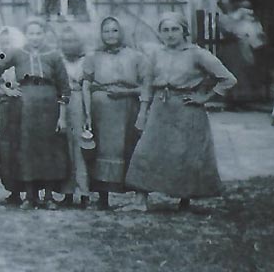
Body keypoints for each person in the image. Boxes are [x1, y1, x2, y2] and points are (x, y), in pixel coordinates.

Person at [126, 12, 236, 212]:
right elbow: (147, 84)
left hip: (187, 110)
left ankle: (184, 200)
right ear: (159, 33)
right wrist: (143, 113)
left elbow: (228, 79)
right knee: (146, 151)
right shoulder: (155, 54)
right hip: (160, 108)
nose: (170, 34)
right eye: (165, 30)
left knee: (185, 155)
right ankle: (140, 200)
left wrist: (205, 97)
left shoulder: (197, 54)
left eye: (175, 29)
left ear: (184, 31)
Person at [0, 19, 69, 210]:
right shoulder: (17, 53)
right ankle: (30, 196)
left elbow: (64, 88)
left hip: (49, 105)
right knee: (27, 149)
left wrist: (62, 116)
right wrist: (6, 88)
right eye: (31, 33)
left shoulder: (54, 55)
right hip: (25, 106)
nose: (35, 37)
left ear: (45, 34)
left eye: (39, 33)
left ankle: (49, 196)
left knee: (48, 150)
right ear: (26, 35)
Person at [81, 16, 147, 210]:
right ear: (101, 34)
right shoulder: (93, 57)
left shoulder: (136, 56)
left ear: (122, 32)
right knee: (101, 150)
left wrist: (127, 92)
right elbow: (85, 85)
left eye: (115, 30)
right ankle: (103, 198)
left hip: (127, 109)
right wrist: (87, 114)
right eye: (106, 31)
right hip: (101, 109)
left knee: (128, 148)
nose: (110, 35)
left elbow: (146, 87)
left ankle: (136, 196)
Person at [57, 26, 90, 207]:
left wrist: (88, 113)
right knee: (64, 148)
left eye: (72, 41)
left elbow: (86, 87)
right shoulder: (57, 60)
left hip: (78, 102)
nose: (68, 45)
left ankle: (84, 192)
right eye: (65, 41)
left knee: (80, 148)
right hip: (61, 104)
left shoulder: (85, 61)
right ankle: (67, 192)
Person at [0, 25, 25, 205]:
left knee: (23, 147)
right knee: (7, 149)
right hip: (5, 107)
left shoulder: (23, 58)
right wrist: (6, 90)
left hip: (24, 106)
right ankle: (13, 190)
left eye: (10, 42)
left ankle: (28, 189)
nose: (6, 46)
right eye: (3, 42)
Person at [215, 0, 264, 108]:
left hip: (241, 47)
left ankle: (243, 100)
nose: (227, 6)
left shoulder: (241, 16)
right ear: (221, 7)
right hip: (230, 47)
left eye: (228, 4)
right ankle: (232, 101)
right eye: (224, 5)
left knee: (243, 72)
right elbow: (227, 31)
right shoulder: (222, 18)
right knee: (233, 72)